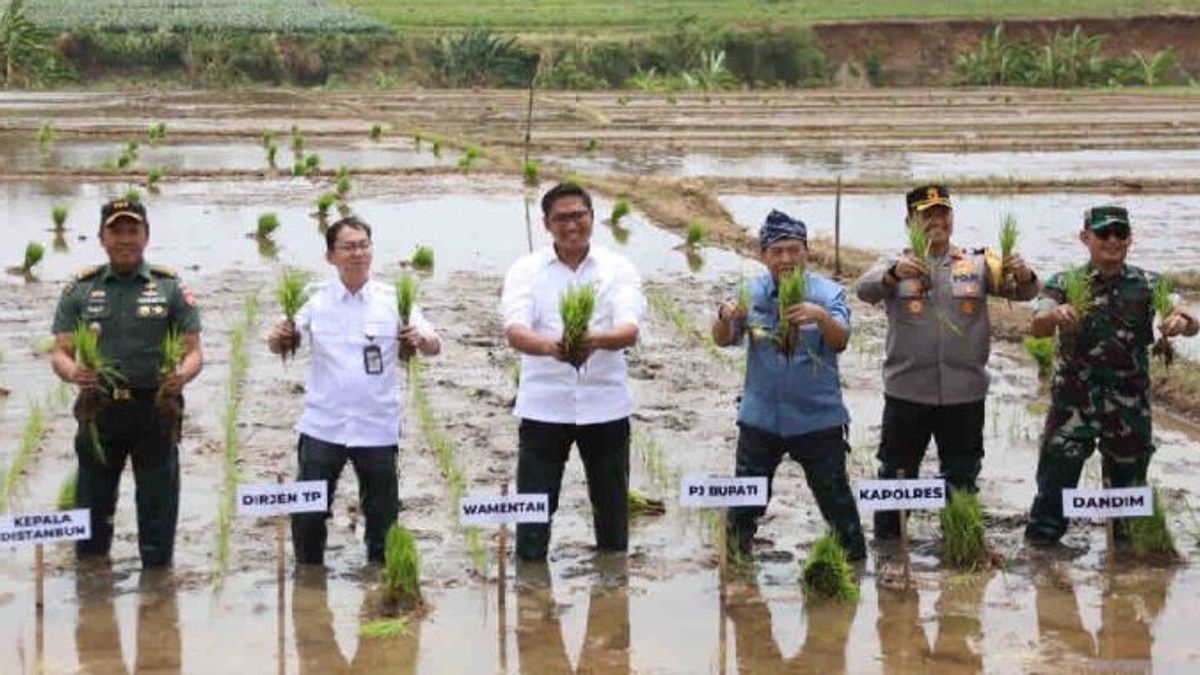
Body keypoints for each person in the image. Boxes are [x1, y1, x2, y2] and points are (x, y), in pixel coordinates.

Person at [856, 185, 1039, 539]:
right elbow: (864, 290)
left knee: (962, 474)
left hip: (964, 393)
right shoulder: (895, 264)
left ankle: (960, 543)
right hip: (907, 391)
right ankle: (891, 547)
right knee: (897, 473)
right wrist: (894, 273)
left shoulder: (976, 264)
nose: (936, 221)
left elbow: (1025, 292)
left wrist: (1024, 271)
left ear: (952, 219)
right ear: (909, 220)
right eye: (927, 215)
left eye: (943, 213)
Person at [267, 215, 440, 565]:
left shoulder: (393, 299)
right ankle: (309, 580)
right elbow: (279, 339)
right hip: (322, 425)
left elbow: (435, 344)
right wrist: (279, 338)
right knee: (308, 514)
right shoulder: (314, 298)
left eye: (363, 245)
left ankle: (379, 582)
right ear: (331, 256)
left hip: (376, 426)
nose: (357, 253)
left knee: (382, 515)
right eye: (348, 247)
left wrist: (419, 338)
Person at [1024, 205, 1198, 544]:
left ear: (1130, 239)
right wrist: (1055, 316)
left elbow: (1183, 317)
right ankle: (1042, 565)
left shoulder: (1149, 283)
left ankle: (1125, 572)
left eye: (1120, 233)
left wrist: (1182, 322)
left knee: (1128, 502)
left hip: (1128, 406)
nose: (1112, 240)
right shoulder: (1064, 282)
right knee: (1053, 491)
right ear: (1085, 237)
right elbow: (1038, 324)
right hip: (1073, 406)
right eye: (1103, 233)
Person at [51, 197, 203, 568]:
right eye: (115, 231)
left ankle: (157, 587)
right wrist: (74, 373)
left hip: (155, 408)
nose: (124, 239)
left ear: (146, 236)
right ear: (101, 238)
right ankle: (92, 587)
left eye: (132, 231)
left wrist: (182, 375)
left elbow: (194, 351)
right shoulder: (80, 289)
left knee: (157, 506)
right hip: (99, 406)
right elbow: (60, 353)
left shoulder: (169, 287)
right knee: (92, 504)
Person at [500, 182, 645, 562]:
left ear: (593, 218)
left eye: (579, 215)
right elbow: (515, 329)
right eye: (561, 218)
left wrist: (593, 340)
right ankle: (532, 591)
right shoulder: (526, 270)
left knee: (612, 511)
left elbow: (629, 329)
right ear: (547, 224)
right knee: (533, 511)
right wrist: (553, 347)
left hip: (605, 407)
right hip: (544, 408)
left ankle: (613, 598)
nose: (571, 225)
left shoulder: (618, 268)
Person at [712, 209, 866, 561]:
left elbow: (841, 340)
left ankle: (854, 569)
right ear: (763, 255)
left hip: (818, 420)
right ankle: (738, 572)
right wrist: (725, 316)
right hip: (760, 419)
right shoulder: (750, 293)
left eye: (793, 250)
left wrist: (821, 317)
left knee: (839, 510)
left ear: (806, 252)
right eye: (777, 251)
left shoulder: (828, 294)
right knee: (743, 510)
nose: (786, 259)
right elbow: (722, 339)